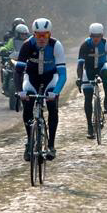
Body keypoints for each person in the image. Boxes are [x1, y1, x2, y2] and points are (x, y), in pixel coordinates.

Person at [15, 18, 67, 161]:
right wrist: (20, 91)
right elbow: (18, 72)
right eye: (39, 35)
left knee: (52, 107)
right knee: (27, 106)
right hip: (31, 78)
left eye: (45, 35)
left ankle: (51, 145)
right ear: (34, 34)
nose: (42, 38)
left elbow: (62, 74)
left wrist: (55, 92)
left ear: (50, 34)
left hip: (50, 79)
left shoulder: (56, 45)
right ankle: (29, 141)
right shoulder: (27, 45)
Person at [76, 23, 107, 139]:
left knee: (106, 73)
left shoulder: (106, 44)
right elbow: (80, 65)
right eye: (93, 36)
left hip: (102, 67)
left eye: (98, 36)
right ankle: (89, 125)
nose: (96, 38)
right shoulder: (84, 45)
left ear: (102, 35)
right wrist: (79, 78)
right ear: (90, 35)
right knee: (88, 97)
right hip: (88, 70)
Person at [0, 24, 30, 94]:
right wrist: (3, 50)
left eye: (25, 34)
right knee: (6, 70)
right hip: (14, 60)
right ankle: (5, 86)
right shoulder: (12, 41)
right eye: (22, 34)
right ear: (17, 34)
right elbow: (6, 47)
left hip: (25, 61)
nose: (23, 36)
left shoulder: (29, 41)